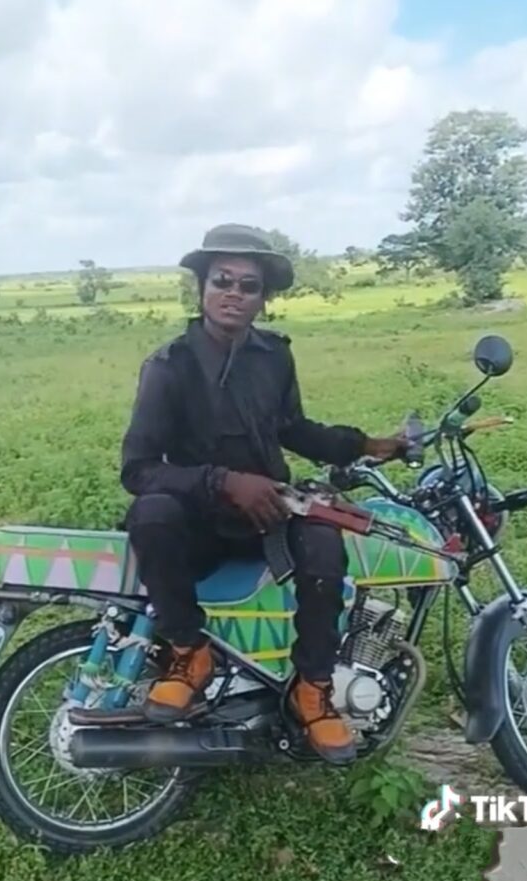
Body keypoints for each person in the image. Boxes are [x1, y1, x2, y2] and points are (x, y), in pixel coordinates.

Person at [118, 224, 407, 765]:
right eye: (221, 280)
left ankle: (313, 688)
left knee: (324, 538)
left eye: (248, 285)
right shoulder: (168, 366)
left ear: (263, 298)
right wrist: (223, 481)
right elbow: (137, 469)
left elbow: (292, 428)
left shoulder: (274, 356)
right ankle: (188, 653)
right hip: (198, 525)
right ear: (201, 288)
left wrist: (366, 443)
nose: (233, 292)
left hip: (269, 517)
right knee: (150, 512)